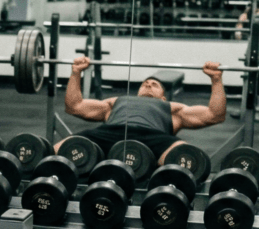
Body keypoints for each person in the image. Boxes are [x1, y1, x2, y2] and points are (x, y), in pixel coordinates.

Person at [56, 55, 225, 165]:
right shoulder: (117, 101)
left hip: (153, 137)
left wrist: (216, 80)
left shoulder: (172, 108)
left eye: (154, 85)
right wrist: (76, 73)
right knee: (55, 151)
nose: (148, 85)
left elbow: (214, 115)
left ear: (163, 97)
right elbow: (75, 106)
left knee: (191, 159)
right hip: (111, 133)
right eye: (145, 84)